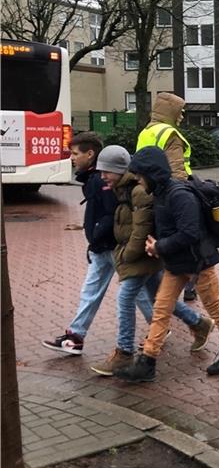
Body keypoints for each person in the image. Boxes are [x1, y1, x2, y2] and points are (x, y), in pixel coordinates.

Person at [114, 146, 219, 382]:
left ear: (152, 174)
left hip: (199, 262)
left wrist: (159, 247)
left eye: (141, 177)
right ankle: (148, 361)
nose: (140, 183)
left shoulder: (179, 195)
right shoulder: (161, 193)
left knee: (214, 305)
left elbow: (190, 233)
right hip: (176, 263)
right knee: (161, 310)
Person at [89, 146, 215, 376]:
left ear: (119, 170)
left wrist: (127, 255)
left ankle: (124, 352)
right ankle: (198, 323)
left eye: (106, 171)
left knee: (125, 297)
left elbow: (142, 227)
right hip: (145, 252)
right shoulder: (123, 187)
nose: (102, 176)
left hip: (143, 254)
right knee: (160, 299)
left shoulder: (137, 190)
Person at [42, 132, 138, 355]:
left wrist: (95, 236)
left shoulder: (99, 180)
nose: (72, 158)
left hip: (111, 247)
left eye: (75, 153)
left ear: (90, 154)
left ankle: (180, 325)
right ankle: (75, 336)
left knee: (141, 295)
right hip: (101, 248)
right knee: (91, 291)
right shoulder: (94, 179)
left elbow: (110, 213)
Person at [135, 91, 197, 302]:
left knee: (158, 236)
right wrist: (182, 194)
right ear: (171, 112)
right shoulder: (170, 133)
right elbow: (177, 169)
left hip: (149, 189)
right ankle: (187, 286)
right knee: (185, 240)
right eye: (180, 112)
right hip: (173, 193)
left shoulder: (146, 131)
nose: (181, 117)